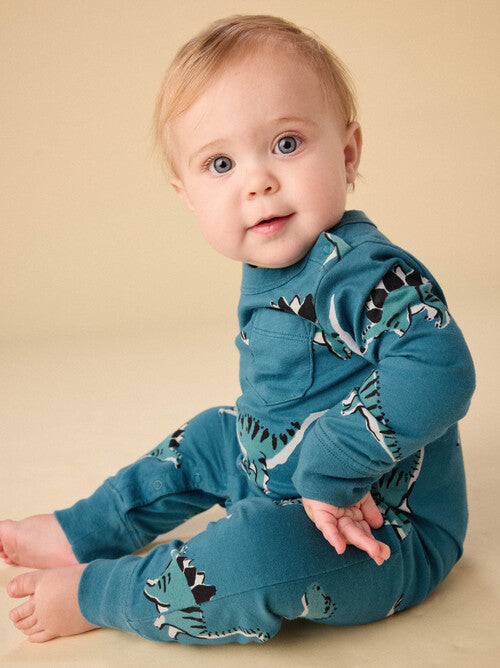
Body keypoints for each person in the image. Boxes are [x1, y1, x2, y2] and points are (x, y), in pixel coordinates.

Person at [1, 14, 474, 645]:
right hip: (278, 465)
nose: (258, 181)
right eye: (220, 163)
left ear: (348, 154)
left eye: (287, 144)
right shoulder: (276, 263)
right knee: (208, 437)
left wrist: (331, 468)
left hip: (380, 529)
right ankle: (86, 529)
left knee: (252, 557)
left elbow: (439, 370)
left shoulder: (363, 273)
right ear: (188, 196)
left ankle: (103, 594)